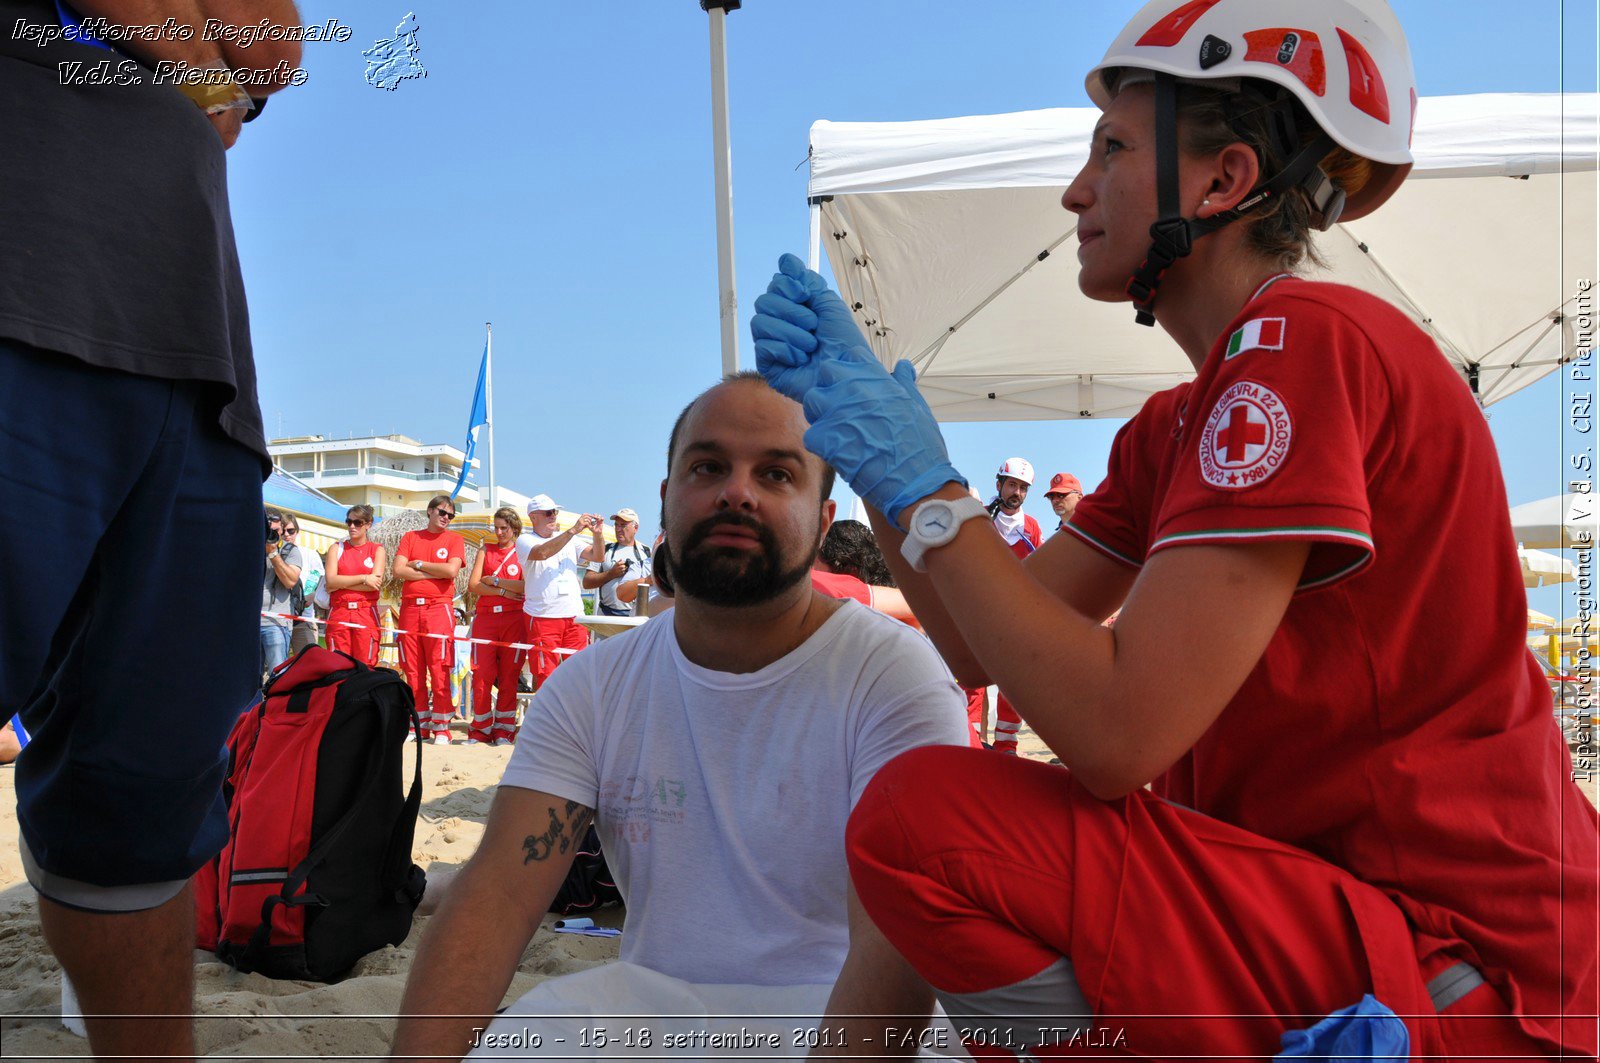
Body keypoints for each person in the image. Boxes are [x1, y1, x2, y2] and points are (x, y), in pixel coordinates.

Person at [750, 0, 1598, 1055]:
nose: (1074, 188)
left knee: (924, 818)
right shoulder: (1181, 420)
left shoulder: (1304, 340)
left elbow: (1115, 732)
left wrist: (924, 486)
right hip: (1374, 937)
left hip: (1461, 970)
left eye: (1109, 148)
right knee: (934, 829)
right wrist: (888, 469)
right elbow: (980, 642)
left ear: (1221, 181)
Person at [392, 373, 969, 1060]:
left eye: (778, 473)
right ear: (667, 499)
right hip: (655, 1007)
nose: (737, 490)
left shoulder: (894, 677)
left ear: (822, 520)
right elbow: (497, 898)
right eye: (709, 466)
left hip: (839, 1014)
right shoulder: (592, 687)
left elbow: (897, 947)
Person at [0, 2, 301, 1057]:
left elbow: (275, 45)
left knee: (136, 784)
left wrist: (203, 65)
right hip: (25, 284)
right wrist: (202, 68)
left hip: (191, 350)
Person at [395, 495, 466, 744]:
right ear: (430, 511)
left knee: (440, 666)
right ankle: (419, 724)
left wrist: (421, 565)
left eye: (450, 515)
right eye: (442, 512)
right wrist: (434, 571)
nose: (446, 518)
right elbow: (398, 570)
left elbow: (451, 571)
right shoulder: (411, 537)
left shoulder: (454, 539)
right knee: (412, 668)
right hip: (411, 608)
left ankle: (442, 725)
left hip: (439, 608)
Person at [516, 495, 606, 690]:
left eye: (555, 512)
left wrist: (598, 535)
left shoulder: (569, 539)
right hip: (543, 617)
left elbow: (598, 556)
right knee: (546, 677)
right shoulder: (525, 539)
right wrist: (573, 530)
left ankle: (577, 720)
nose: (553, 516)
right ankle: (548, 721)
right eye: (548, 513)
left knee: (581, 675)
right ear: (533, 517)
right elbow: (542, 553)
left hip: (574, 616)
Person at [466, 506, 529, 745]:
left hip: (514, 618)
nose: (499, 532)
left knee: (510, 675)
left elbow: (524, 586)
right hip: (486, 617)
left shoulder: (522, 552)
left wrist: (493, 582)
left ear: (514, 529)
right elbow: (473, 585)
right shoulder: (486, 549)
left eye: (504, 528)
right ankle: (480, 728)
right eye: (497, 527)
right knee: (482, 672)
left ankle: (504, 729)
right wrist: (504, 589)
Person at [324, 505, 386, 665]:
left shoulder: (377, 550)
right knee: (338, 664)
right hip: (339, 610)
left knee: (366, 665)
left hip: (365, 611)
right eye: (349, 522)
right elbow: (330, 581)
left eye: (357, 523)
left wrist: (341, 582)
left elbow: (374, 585)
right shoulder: (336, 548)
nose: (352, 526)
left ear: (368, 524)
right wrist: (364, 578)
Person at [587, 507, 654, 617]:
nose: (618, 529)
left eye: (623, 525)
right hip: (606, 615)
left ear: (635, 528)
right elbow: (587, 582)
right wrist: (611, 573)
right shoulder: (604, 550)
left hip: (636, 616)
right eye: (616, 525)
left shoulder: (648, 553)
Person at [261, 509, 304, 678]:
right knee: (247, 678)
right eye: (268, 530)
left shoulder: (289, 551)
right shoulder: (248, 548)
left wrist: (272, 552)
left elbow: (290, 581)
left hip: (275, 623)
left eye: (276, 531)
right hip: (248, 622)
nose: (273, 534)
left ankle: (274, 706)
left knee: (278, 677)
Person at [282, 513, 323, 656]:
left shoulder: (309, 553)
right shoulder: (275, 554)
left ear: (297, 532)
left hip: (303, 619)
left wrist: (308, 594)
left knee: (308, 664)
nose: (286, 534)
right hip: (278, 620)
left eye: (291, 531)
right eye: (283, 530)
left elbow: (315, 577)